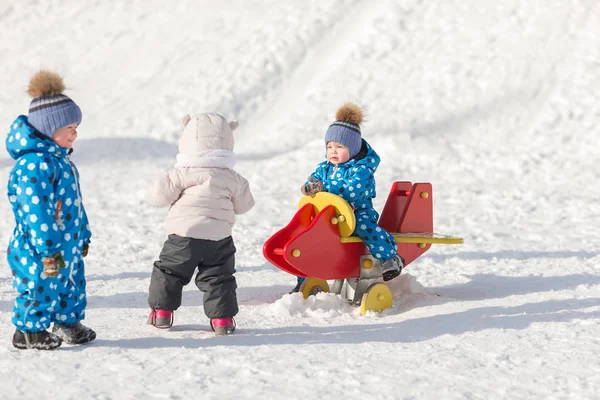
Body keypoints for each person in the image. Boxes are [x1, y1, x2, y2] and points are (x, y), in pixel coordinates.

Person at [5, 70, 95, 350]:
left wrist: (83, 234)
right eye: (70, 128)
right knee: (41, 284)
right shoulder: (34, 165)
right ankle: (28, 330)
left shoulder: (61, 161)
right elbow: (37, 212)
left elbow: (75, 204)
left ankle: (68, 322)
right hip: (42, 246)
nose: (75, 134)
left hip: (66, 243)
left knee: (70, 284)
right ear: (51, 129)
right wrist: (48, 247)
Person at [147, 112, 255, 335]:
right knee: (219, 277)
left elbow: (157, 198)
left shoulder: (180, 173)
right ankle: (223, 320)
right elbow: (244, 206)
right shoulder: (233, 178)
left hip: (183, 237)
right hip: (219, 238)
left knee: (169, 272)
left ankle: (161, 313)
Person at [291, 103, 405, 293]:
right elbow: (315, 179)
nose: (333, 151)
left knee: (364, 226)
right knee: (308, 234)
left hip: (357, 212)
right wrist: (311, 187)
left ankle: (390, 257)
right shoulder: (324, 167)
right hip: (330, 216)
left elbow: (351, 191)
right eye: (329, 146)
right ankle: (304, 278)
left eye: (340, 146)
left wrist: (324, 187)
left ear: (352, 148)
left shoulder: (362, 170)